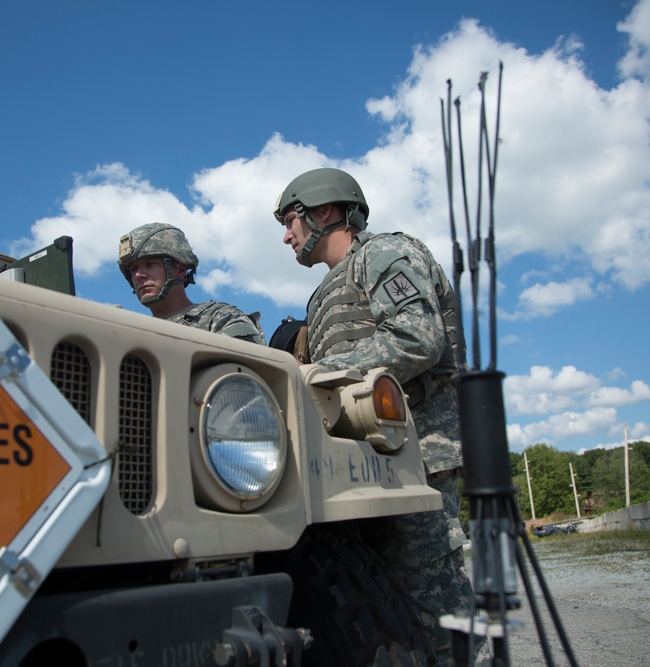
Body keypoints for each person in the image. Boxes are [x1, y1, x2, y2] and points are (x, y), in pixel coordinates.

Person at [273, 167, 483, 665]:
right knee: (380, 604)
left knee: (433, 602)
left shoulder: (385, 253)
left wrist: (310, 373)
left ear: (324, 211)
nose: (286, 236)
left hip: (418, 454)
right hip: (361, 463)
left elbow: (417, 339)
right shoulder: (323, 293)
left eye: (290, 221)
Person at [118, 222, 265, 344]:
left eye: (150, 264)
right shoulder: (130, 334)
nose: (138, 275)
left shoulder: (219, 318)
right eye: (133, 269)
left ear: (180, 270)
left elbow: (244, 374)